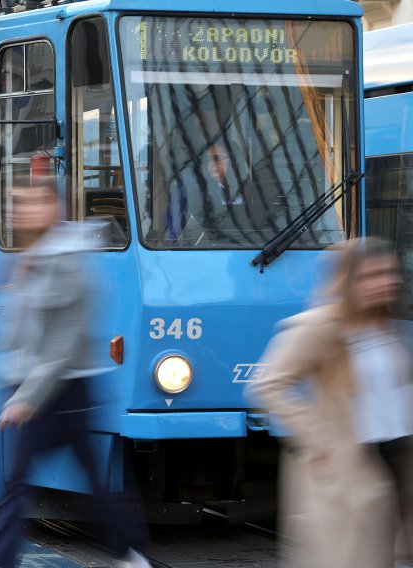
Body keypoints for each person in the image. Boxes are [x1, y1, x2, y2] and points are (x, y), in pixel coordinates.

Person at [0, 179, 149, 568]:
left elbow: (62, 343)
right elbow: (25, 330)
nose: (22, 212)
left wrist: (27, 396)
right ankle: (129, 551)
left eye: (33, 204)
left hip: (63, 391)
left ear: (55, 209)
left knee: (16, 486)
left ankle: (0, 564)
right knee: (85, 480)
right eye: (19, 206)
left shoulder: (68, 262)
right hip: (41, 387)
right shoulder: (34, 256)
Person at [248, 237, 413, 567]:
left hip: (394, 467)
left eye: (389, 274)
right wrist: (320, 440)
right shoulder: (319, 327)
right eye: (371, 275)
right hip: (348, 476)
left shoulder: (388, 328)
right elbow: (268, 386)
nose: (386, 282)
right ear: (348, 281)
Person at [163, 140, 267, 245]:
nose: (211, 164)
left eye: (217, 158)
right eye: (208, 159)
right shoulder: (194, 191)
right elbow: (178, 231)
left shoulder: (252, 189)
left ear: (234, 160)